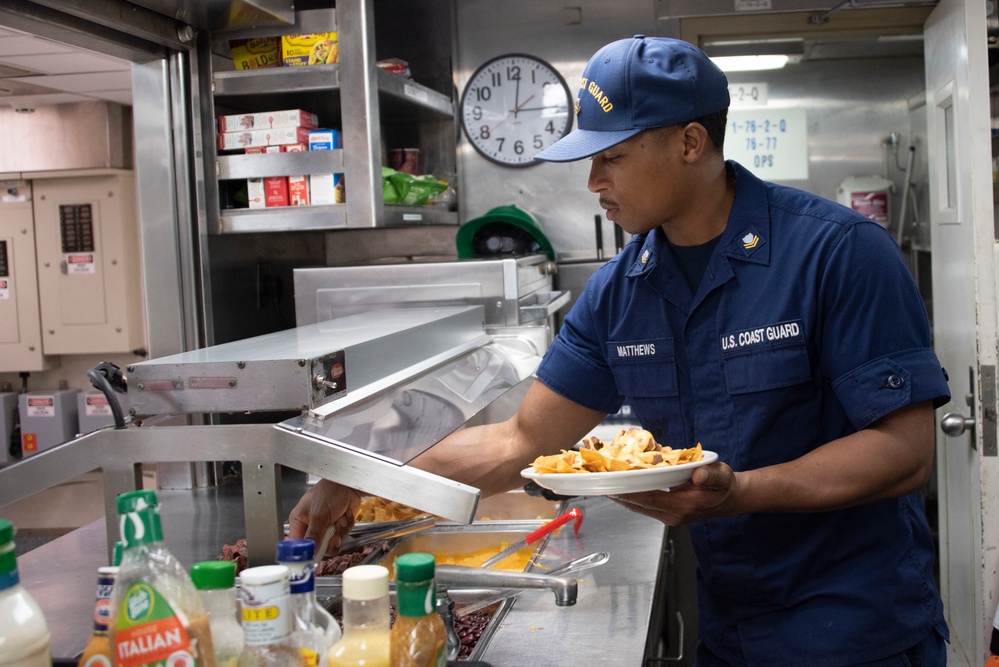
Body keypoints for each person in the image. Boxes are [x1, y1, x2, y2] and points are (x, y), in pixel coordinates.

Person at [290, 35, 951, 665]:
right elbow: (518, 441)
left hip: (856, 625)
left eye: (613, 157)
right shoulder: (620, 290)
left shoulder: (837, 253)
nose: (592, 181)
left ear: (689, 142)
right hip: (733, 626)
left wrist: (741, 492)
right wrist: (357, 473)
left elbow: (903, 451)